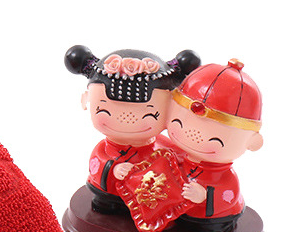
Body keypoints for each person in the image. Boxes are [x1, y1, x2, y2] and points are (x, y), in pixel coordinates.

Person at [65, 46, 200, 214]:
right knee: (105, 207)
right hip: (111, 192)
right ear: (86, 101)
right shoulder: (105, 149)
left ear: (171, 109)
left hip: (148, 198)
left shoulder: (162, 147)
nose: (126, 119)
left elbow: (181, 159)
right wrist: (113, 169)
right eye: (105, 110)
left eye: (148, 114)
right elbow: (97, 161)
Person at [164, 59, 263, 232]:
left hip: (212, 219)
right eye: (178, 122)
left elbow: (229, 194)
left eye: (215, 139)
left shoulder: (225, 176)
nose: (191, 135)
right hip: (180, 210)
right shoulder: (177, 155)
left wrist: (205, 195)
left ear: (252, 142)